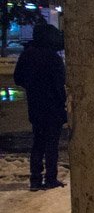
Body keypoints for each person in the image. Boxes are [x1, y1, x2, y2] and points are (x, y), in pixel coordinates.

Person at [13, 21, 68, 191]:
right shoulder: (53, 58)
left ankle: (35, 179)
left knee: (38, 142)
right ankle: (50, 178)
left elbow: (18, 78)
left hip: (35, 106)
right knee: (51, 144)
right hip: (53, 108)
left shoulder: (27, 55)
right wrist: (63, 106)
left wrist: (32, 87)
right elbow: (60, 85)